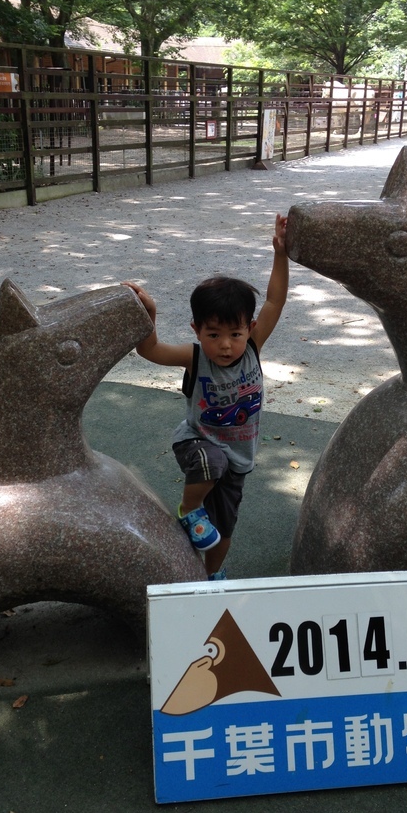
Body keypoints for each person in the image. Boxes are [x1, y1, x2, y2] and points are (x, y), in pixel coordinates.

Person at [124, 213, 289, 581]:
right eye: (213, 334)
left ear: (251, 329)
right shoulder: (195, 358)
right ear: (196, 330)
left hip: (239, 460)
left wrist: (280, 253)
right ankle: (190, 509)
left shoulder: (253, 351)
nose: (226, 345)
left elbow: (275, 301)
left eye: (234, 333)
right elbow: (149, 350)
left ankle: (212, 576)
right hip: (198, 444)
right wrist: (148, 313)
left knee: (224, 532)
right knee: (212, 460)